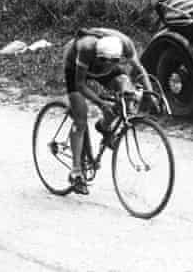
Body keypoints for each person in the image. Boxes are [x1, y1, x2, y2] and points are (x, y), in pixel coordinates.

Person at [62, 27, 152, 194]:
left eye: (114, 63)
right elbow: (80, 85)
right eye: (104, 63)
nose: (107, 67)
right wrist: (101, 103)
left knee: (127, 92)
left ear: (119, 58)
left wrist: (149, 94)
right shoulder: (86, 48)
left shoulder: (125, 45)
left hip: (101, 62)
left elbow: (140, 70)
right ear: (99, 57)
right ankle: (76, 172)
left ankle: (104, 126)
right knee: (81, 118)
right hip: (76, 68)